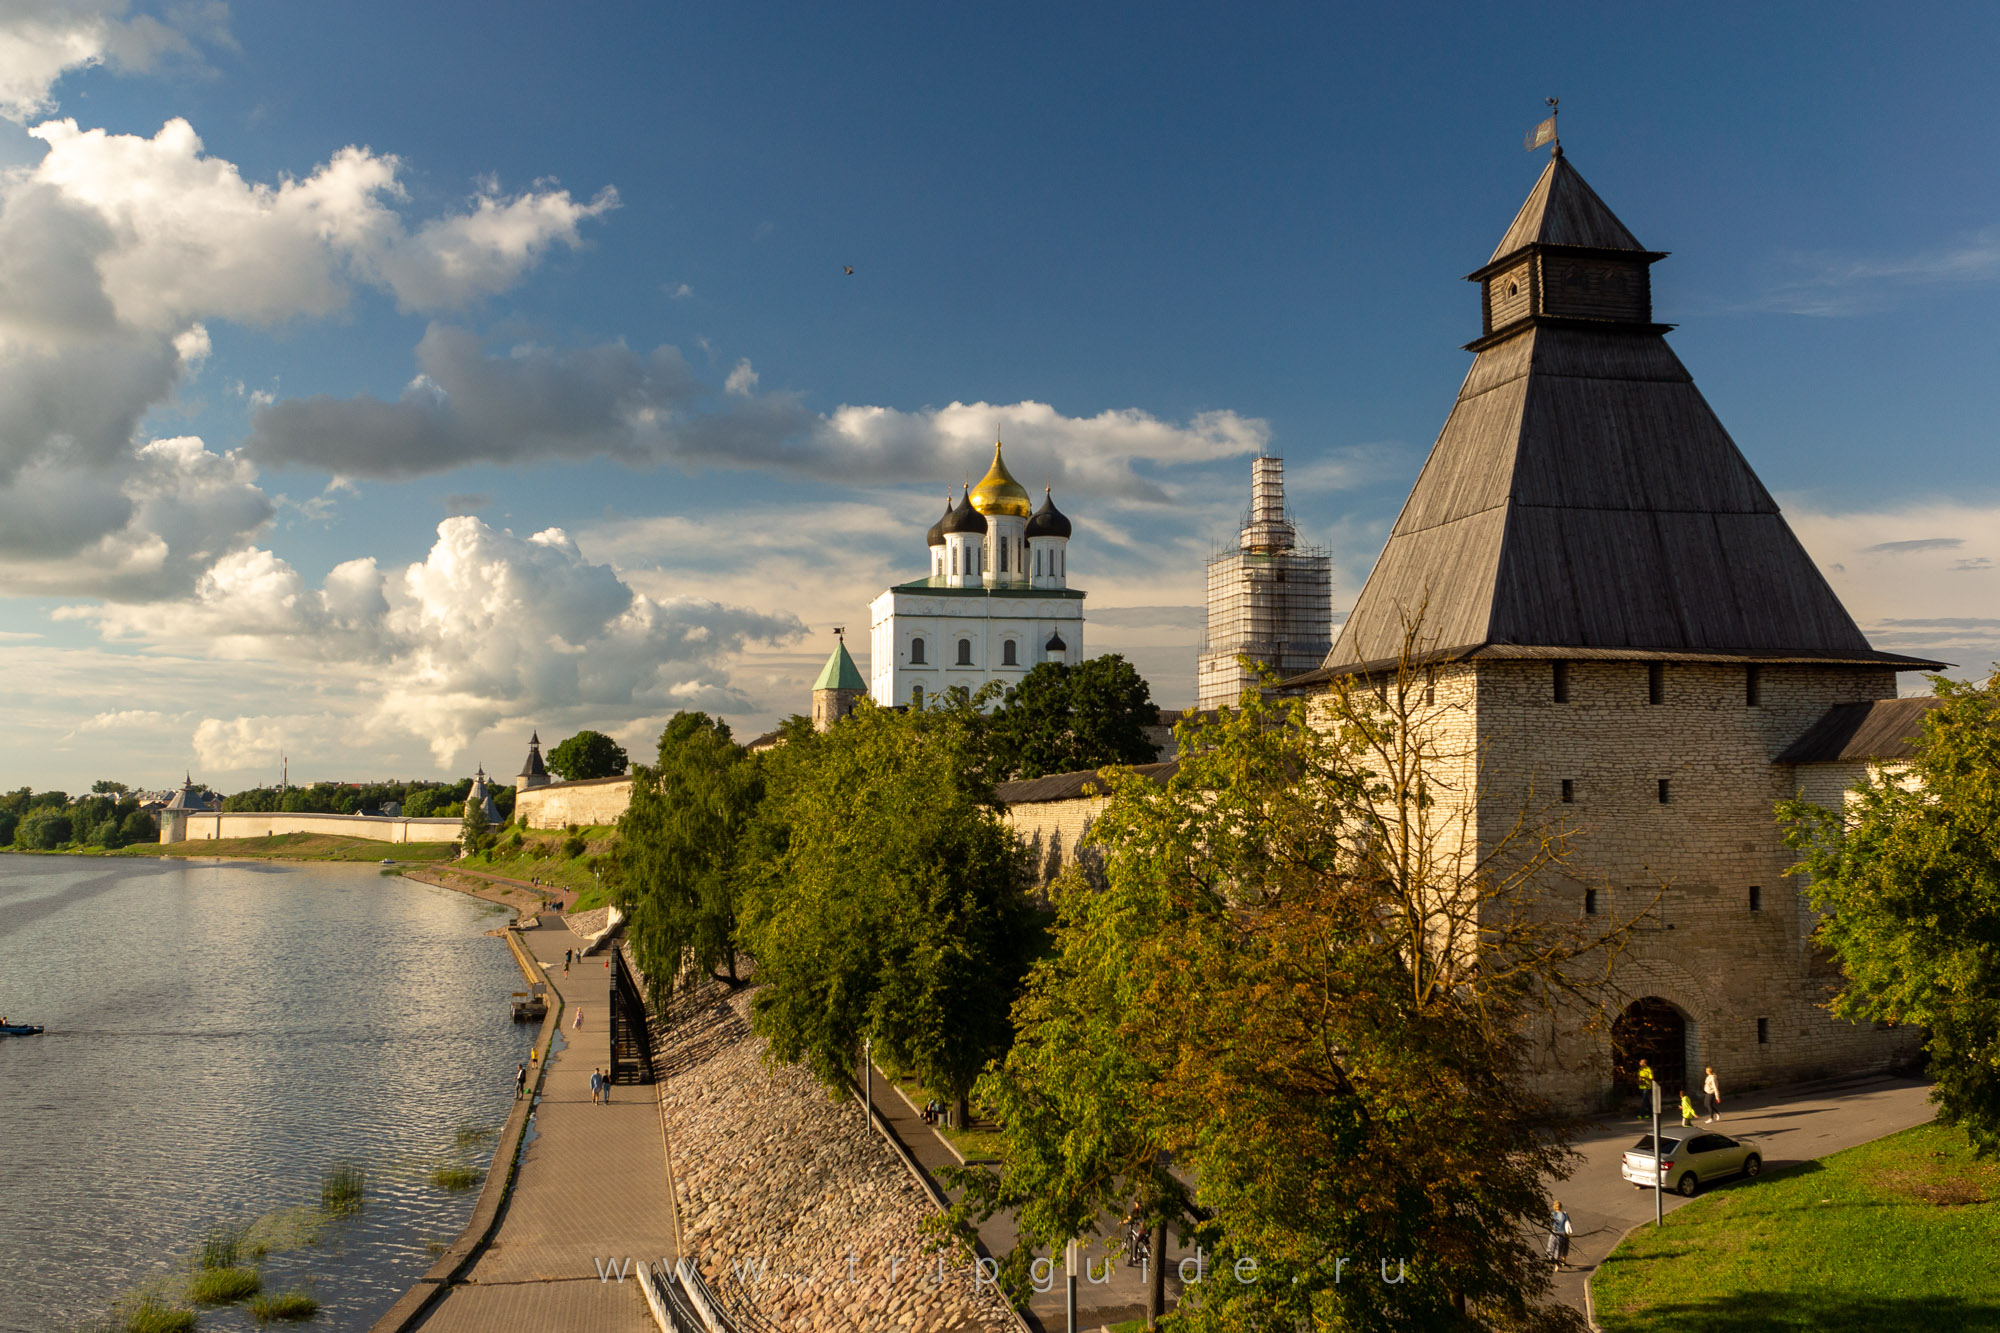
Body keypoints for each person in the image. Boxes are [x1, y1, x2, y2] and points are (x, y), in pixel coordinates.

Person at [1547, 1202, 1573, 1270]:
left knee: (1555, 1248)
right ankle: (1564, 1261)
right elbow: (1569, 1222)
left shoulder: (1553, 1214)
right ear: (1561, 1206)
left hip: (1555, 1233)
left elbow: (1550, 1223)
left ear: (1555, 1207)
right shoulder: (1565, 1214)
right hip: (1563, 1233)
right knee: (1564, 1247)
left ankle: (1556, 1265)